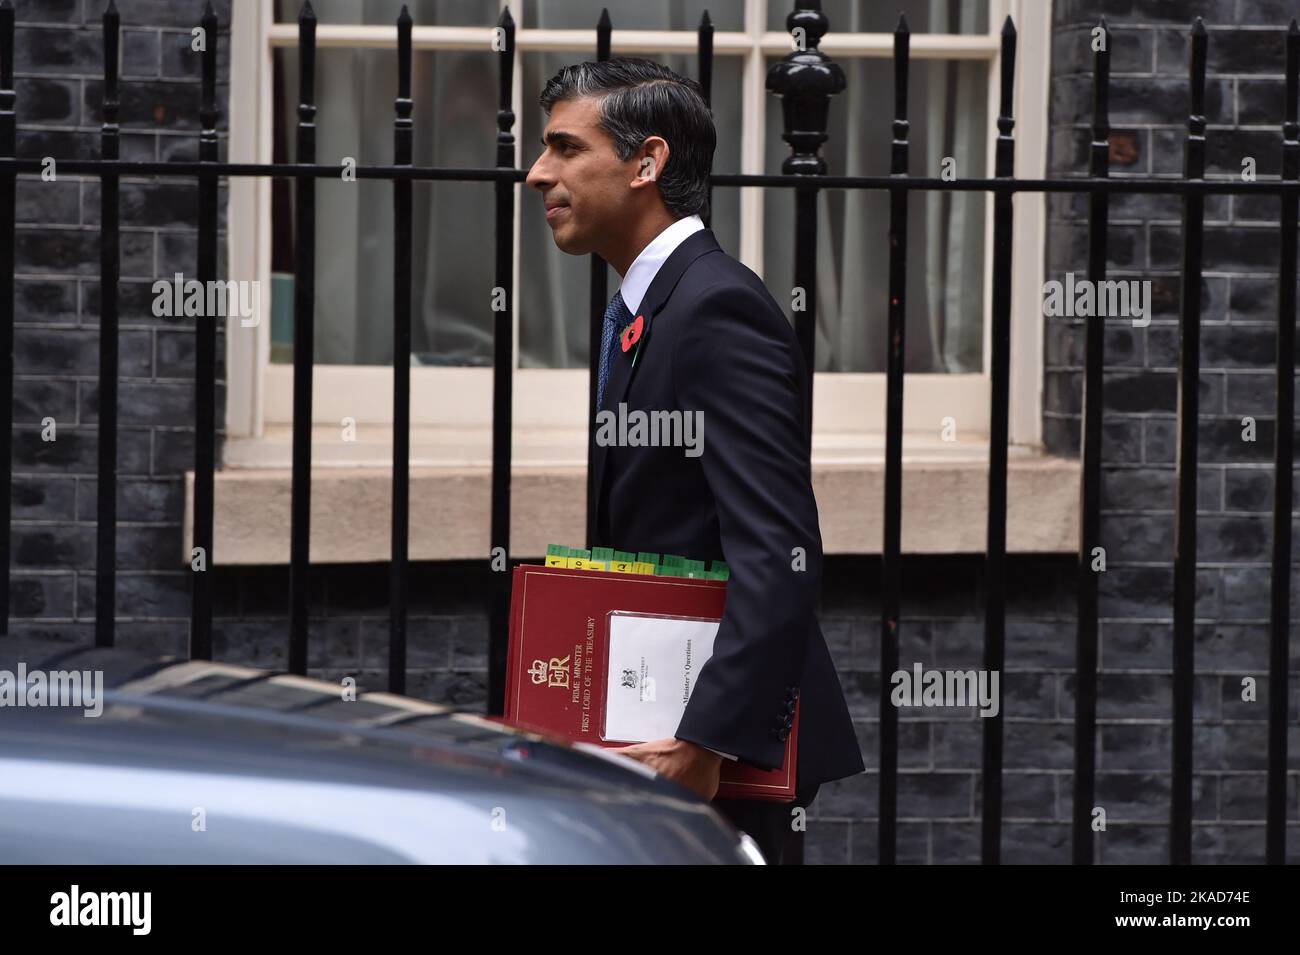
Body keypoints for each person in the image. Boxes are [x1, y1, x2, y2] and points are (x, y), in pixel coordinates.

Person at [525, 57, 863, 865]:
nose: (538, 173)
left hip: (718, 761)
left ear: (648, 163)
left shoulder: (715, 307)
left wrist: (704, 739)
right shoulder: (645, 308)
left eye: (566, 149)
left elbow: (779, 549)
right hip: (660, 731)